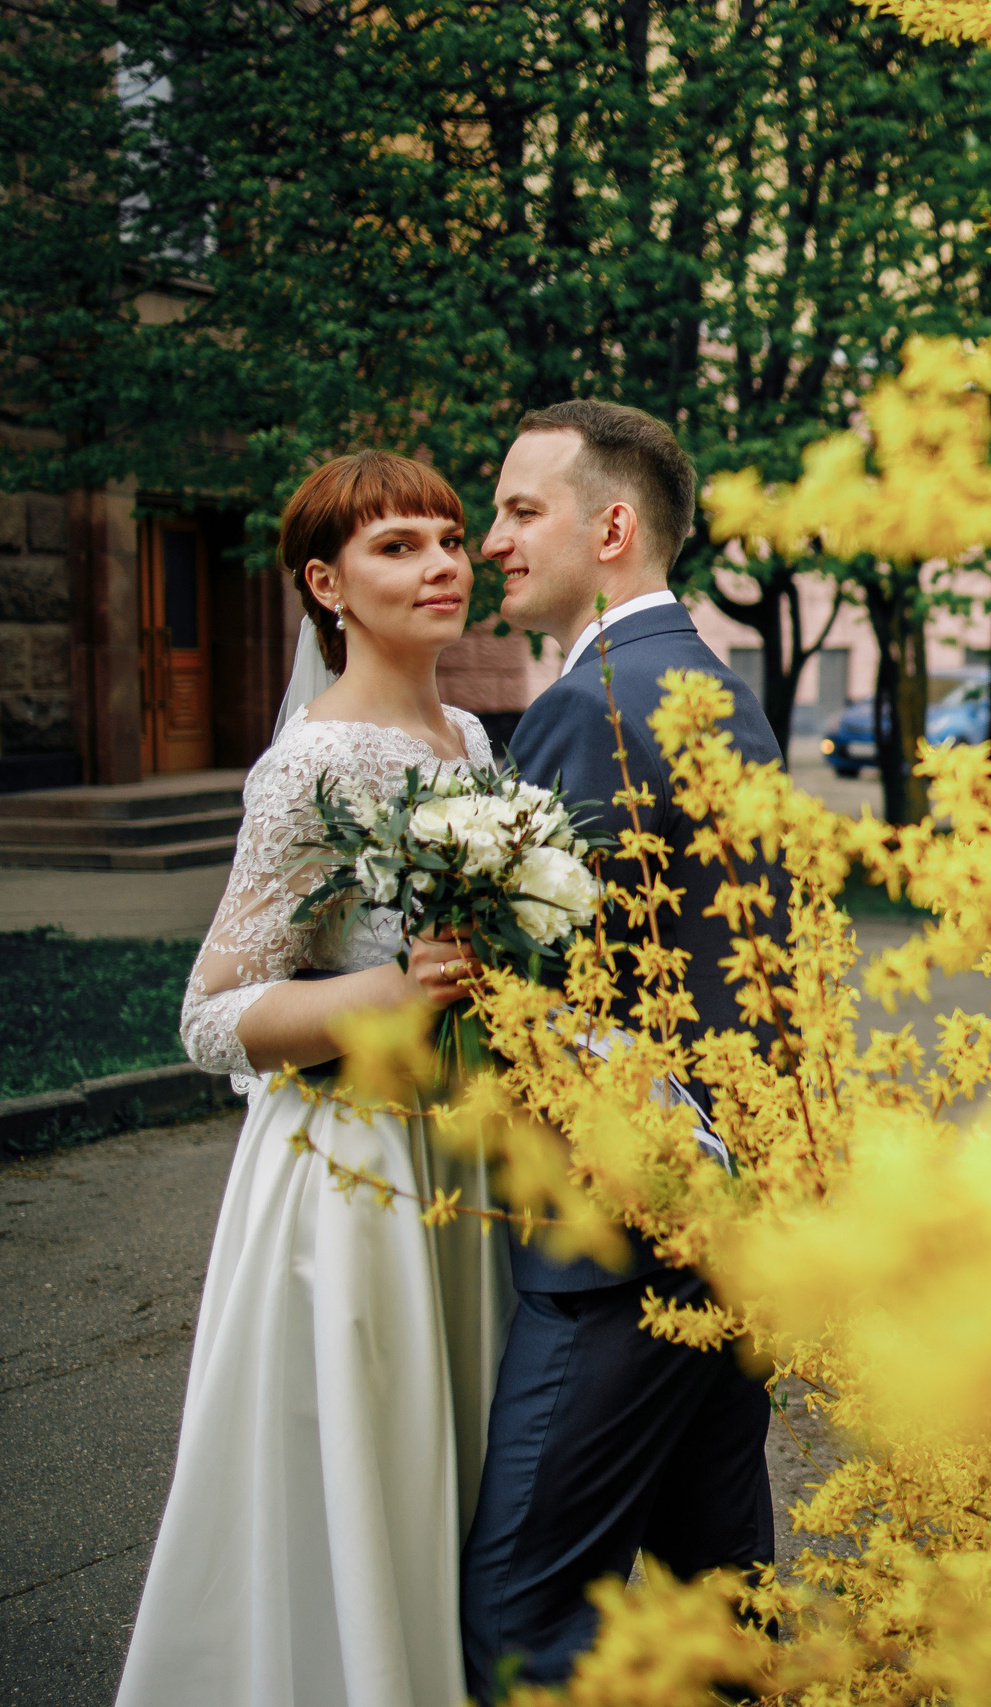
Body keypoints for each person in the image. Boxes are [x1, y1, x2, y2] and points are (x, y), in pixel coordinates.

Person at [121, 452, 515, 1707]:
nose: (443, 563)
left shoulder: (473, 734)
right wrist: (384, 996)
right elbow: (211, 1013)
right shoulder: (307, 766)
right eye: (398, 545)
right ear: (325, 583)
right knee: (373, 1468)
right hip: (354, 1173)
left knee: (468, 1476)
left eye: (450, 538)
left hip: (469, 1160)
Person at [461, 400, 779, 1698]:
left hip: (621, 1240)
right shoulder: (712, 688)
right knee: (721, 1598)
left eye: (518, 509)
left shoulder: (592, 704)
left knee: (525, 1607)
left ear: (611, 525)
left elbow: (548, 995)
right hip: (730, 1213)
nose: (490, 541)